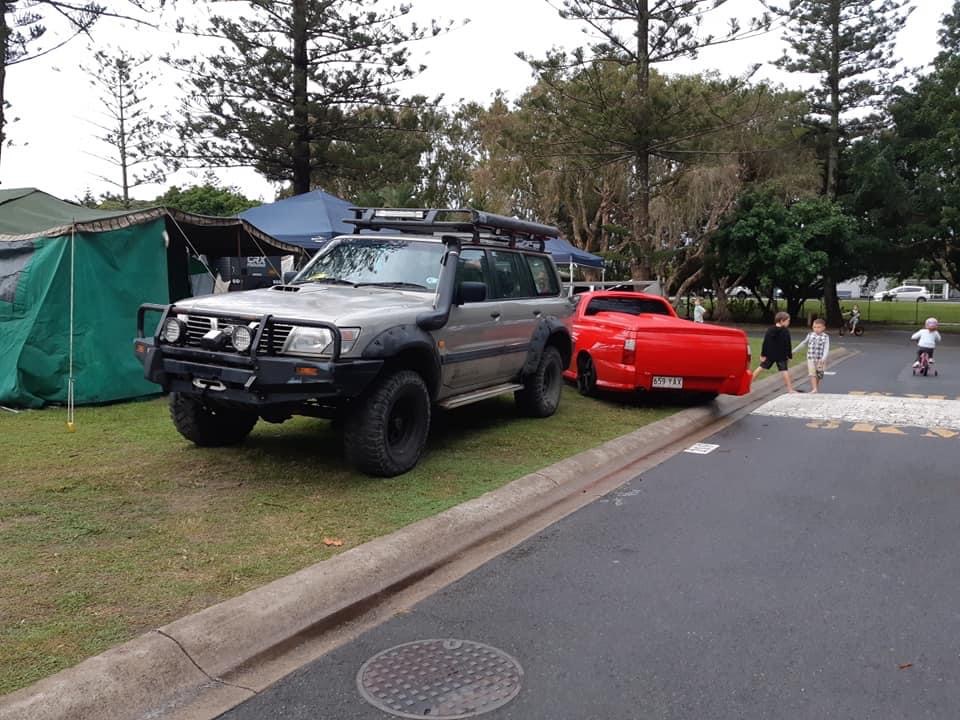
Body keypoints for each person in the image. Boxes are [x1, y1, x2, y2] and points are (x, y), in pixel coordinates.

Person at [753, 311, 796, 392]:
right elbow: (788, 344)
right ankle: (790, 389)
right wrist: (789, 356)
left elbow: (765, 343)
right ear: (782, 321)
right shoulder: (785, 331)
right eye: (788, 321)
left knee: (760, 368)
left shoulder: (770, 330)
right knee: (785, 371)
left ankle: (747, 385)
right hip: (781, 356)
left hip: (770, 355)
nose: (789, 323)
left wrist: (763, 354)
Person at [794, 318, 830, 393]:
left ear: (823, 328)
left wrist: (823, 359)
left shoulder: (825, 337)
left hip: (821, 359)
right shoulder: (810, 335)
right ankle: (814, 389)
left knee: (819, 375)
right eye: (814, 327)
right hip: (811, 358)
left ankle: (815, 387)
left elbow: (826, 348)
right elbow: (803, 343)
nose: (816, 329)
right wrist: (794, 351)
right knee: (812, 373)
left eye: (818, 327)